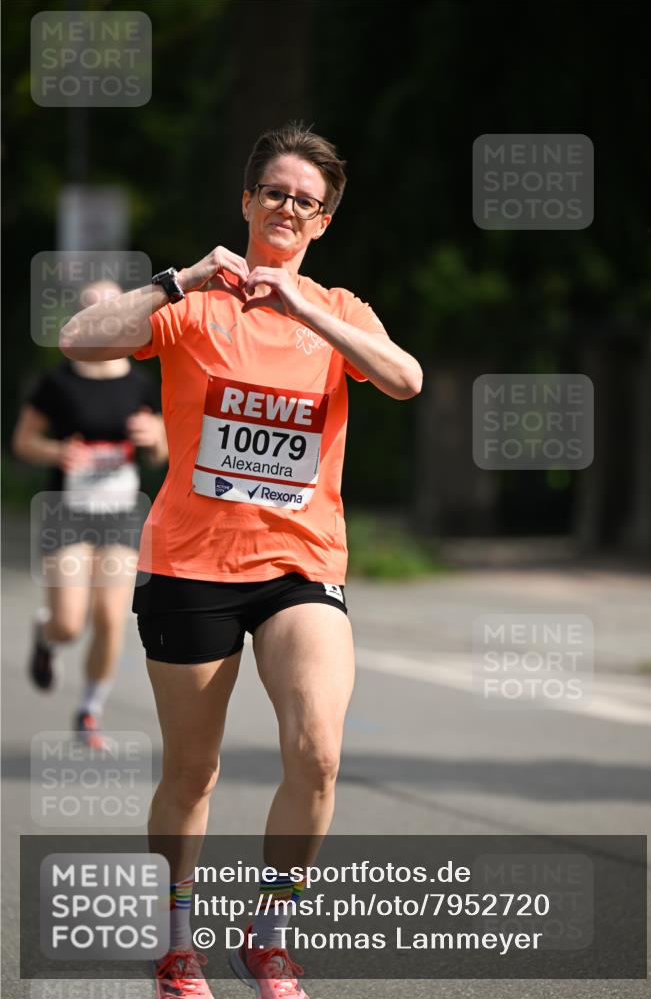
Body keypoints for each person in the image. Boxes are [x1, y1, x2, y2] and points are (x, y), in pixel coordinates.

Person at [59, 123, 423, 999]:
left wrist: (307, 309)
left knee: (318, 752)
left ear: (323, 221)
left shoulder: (338, 311)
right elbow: (77, 337)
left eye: (308, 200)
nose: (289, 207)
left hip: (302, 565)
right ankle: (177, 942)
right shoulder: (192, 305)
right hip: (190, 564)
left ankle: (270, 936)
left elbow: (405, 379)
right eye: (276, 192)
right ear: (248, 200)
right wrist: (177, 277)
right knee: (193, 771)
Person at [13, 281, 168, 748]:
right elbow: (24, 442)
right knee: (69, 622)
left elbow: (162, 452)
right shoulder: (57, 383)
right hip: (69, 510)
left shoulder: (142, 383)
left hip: (121, 512)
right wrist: (60, 451)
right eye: (92, 310)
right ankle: (45, 634)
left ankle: (90, 710)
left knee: (111, 616)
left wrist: (152, 437)